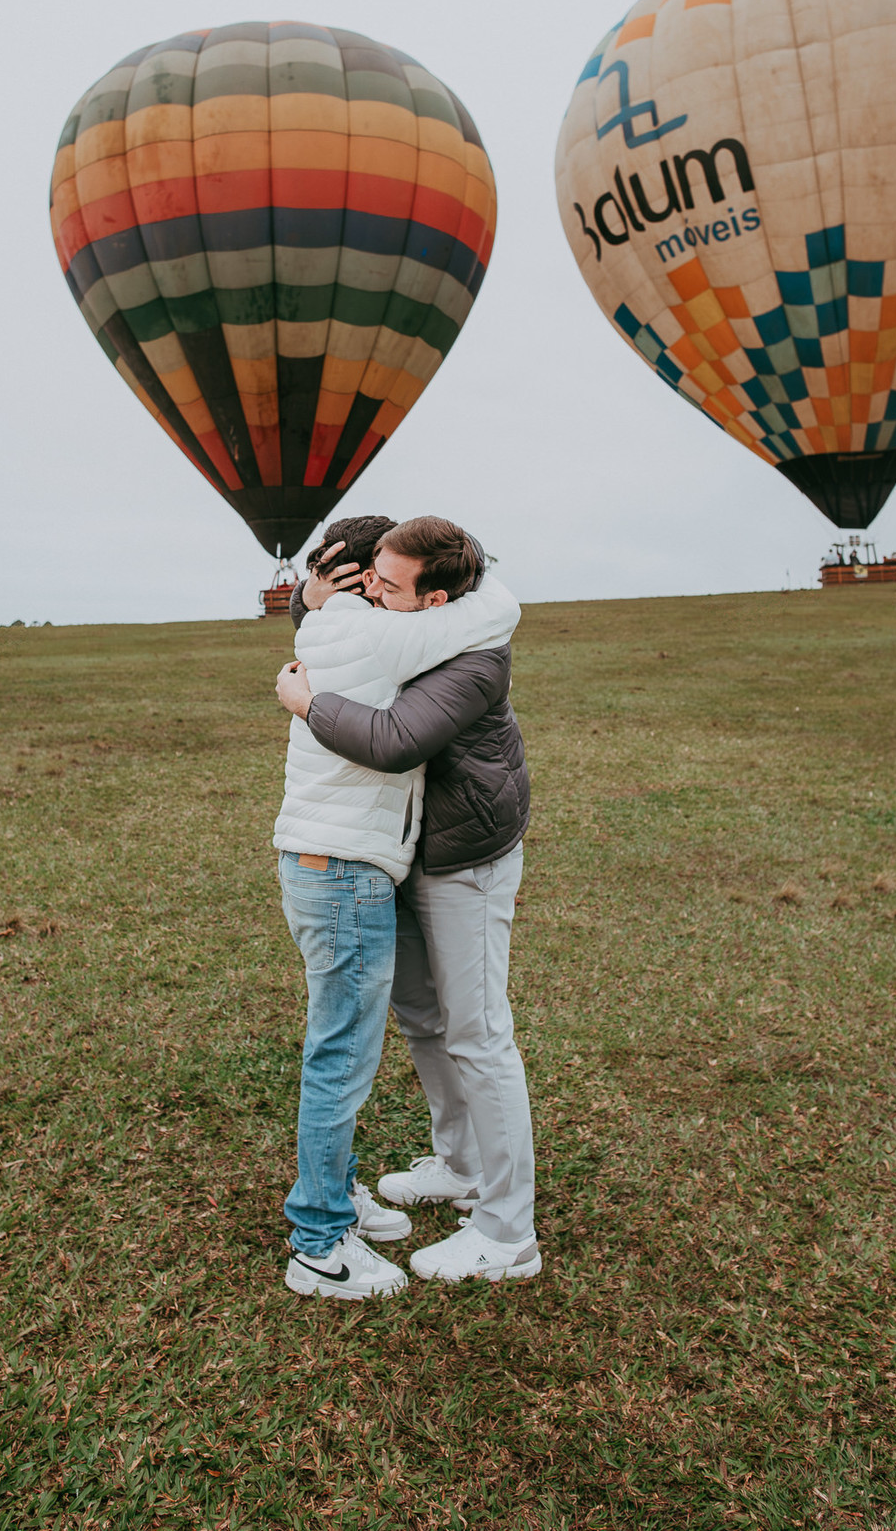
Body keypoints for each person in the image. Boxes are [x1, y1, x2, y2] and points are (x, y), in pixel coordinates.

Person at [278, 515, 537, 1286]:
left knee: (478, 1032)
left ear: (437, 600)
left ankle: (506, 1228)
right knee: (423, 1019)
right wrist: (311, 594)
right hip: (403, 851)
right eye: (371, 581)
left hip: (465, 854)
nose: (371, 596)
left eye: (388, 587)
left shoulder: (475, 654)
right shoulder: (397, 620)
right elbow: (342, 618)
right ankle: (460, 1166)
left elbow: (393, 738)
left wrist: (307, 704)